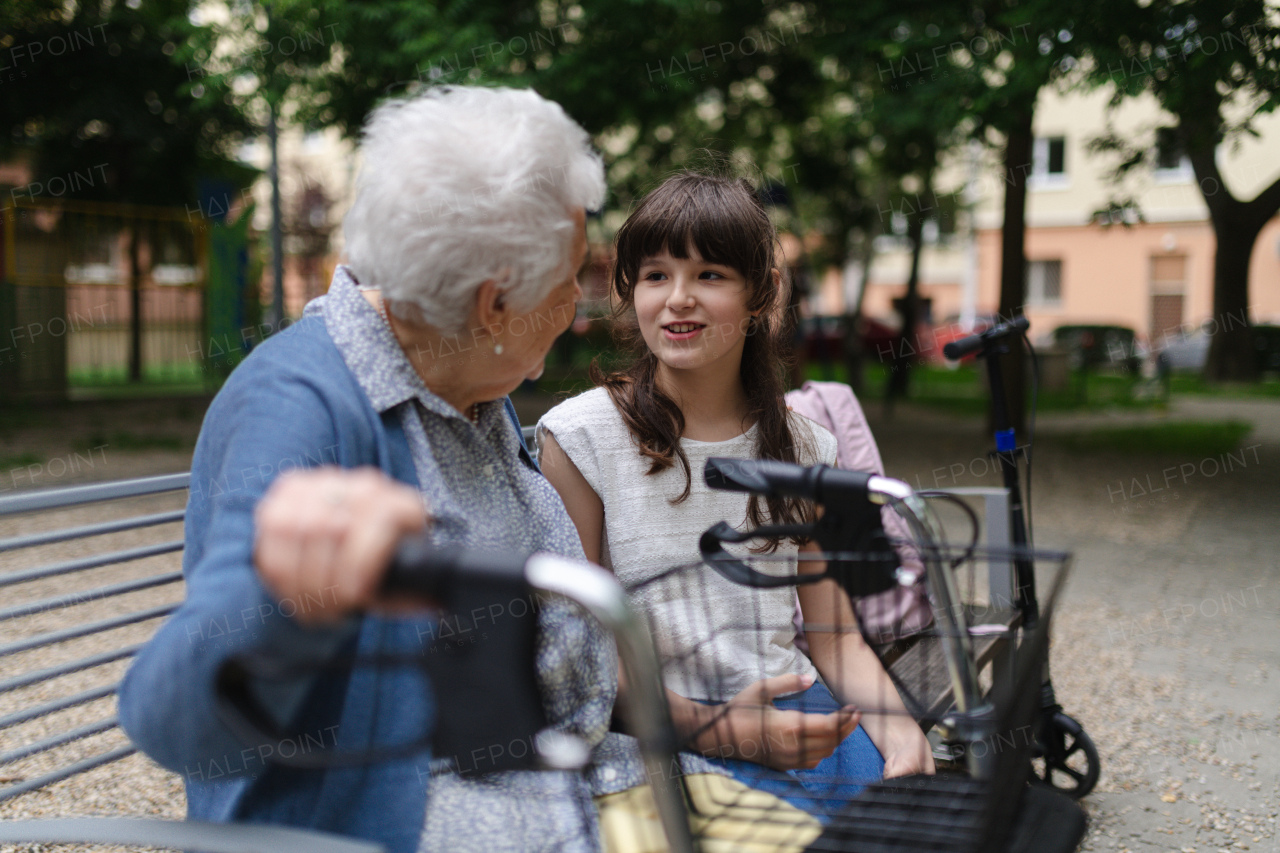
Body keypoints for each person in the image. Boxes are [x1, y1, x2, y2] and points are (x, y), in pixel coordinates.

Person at [119, 86, 614, 853]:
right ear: (493, 306)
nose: (578, 305)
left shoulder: (471, 382)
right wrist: (284, 603)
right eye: (571, 279)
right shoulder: (299, 407)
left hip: (571, 788)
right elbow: (176, 726)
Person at [537, 173, 934, 819]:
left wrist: (899, 727)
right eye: (656, 275)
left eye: (710, 275)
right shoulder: (581, 439)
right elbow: (589, 660)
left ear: (761, 295)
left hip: (797, 715)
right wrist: (731, 731)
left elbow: (834, 637)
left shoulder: (806, 448)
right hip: (656, 739)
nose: (677, 300)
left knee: (915, 822)